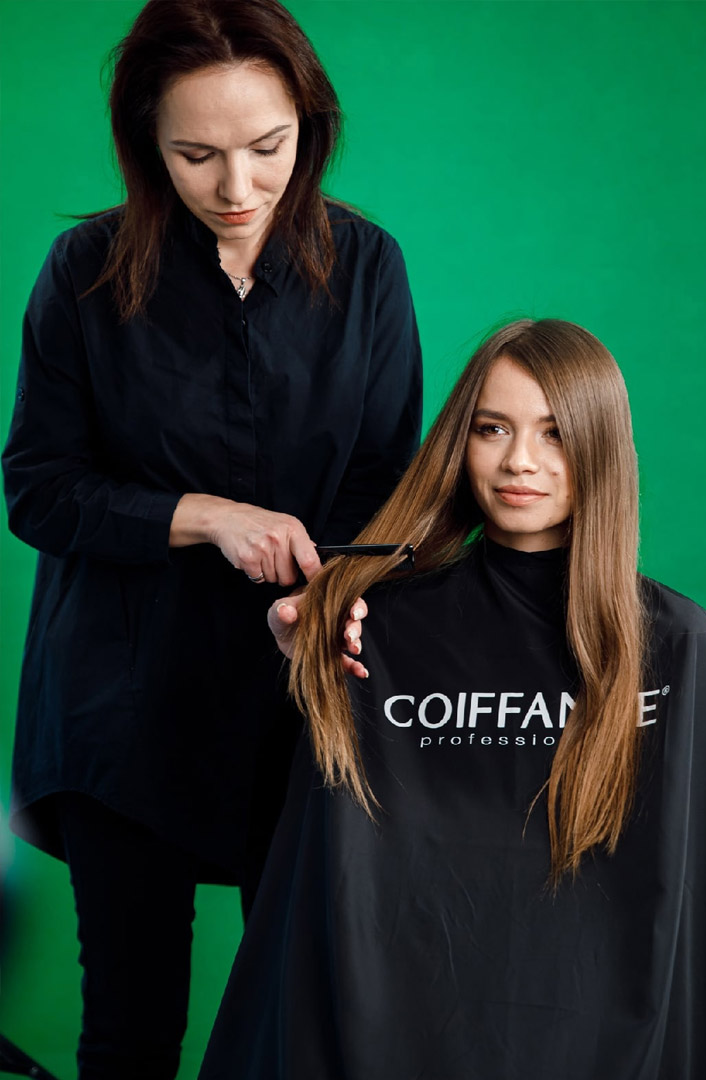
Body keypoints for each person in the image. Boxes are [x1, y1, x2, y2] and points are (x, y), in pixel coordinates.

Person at [1, 1, 421, 1077]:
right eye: (196, 156)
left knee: (305, 1023)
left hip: (300, 700)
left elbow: (385, 488)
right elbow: (38, 491)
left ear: (308, 126)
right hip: (121, 703)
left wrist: (324, 600)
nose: (237, 187)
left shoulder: (368, 266)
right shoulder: (84, 270)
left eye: (267, 148)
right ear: (147, 141)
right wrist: (204, 517)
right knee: (130, 1031)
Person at [200, 318, 706, 1080]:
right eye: (492, 428)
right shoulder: (372, 628)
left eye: (554, 433)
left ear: (601, 447)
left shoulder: (678, 646)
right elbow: (318, 879)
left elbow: (694, 900)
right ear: (459, 442)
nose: (519, 461)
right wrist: (304, 662)